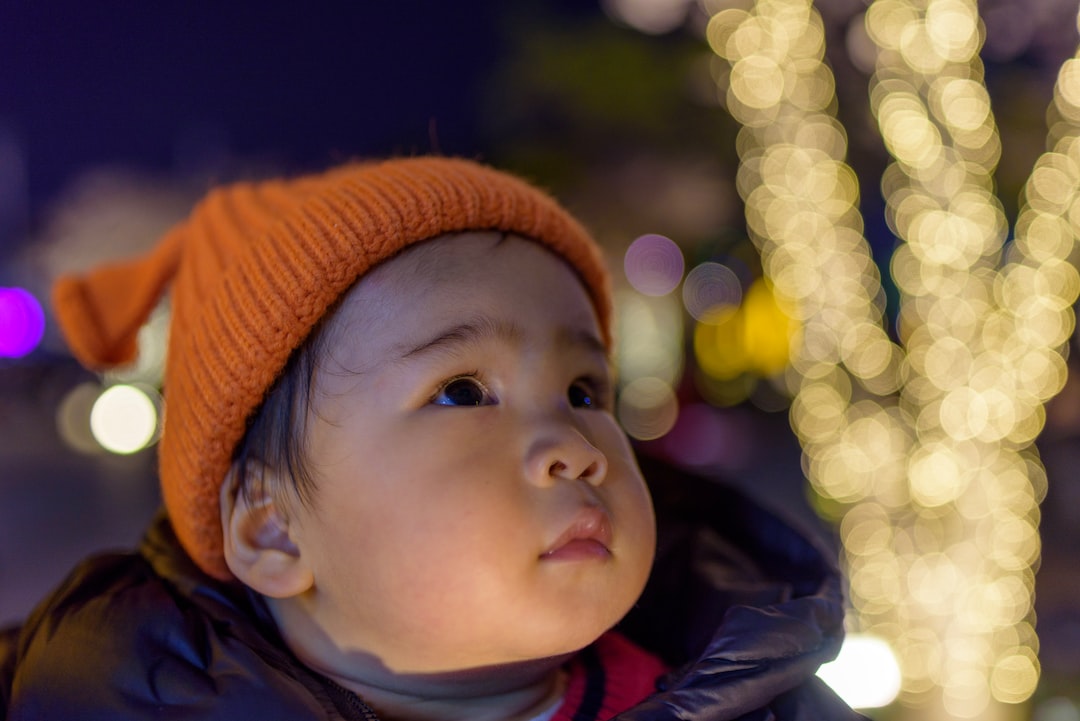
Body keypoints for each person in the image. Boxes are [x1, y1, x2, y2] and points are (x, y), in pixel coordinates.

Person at [0, 157, 865, 720]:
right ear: (272, 527)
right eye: (463, 391)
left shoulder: (755, 696)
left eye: (584, 389)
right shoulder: (83, 695)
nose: (574, 443)